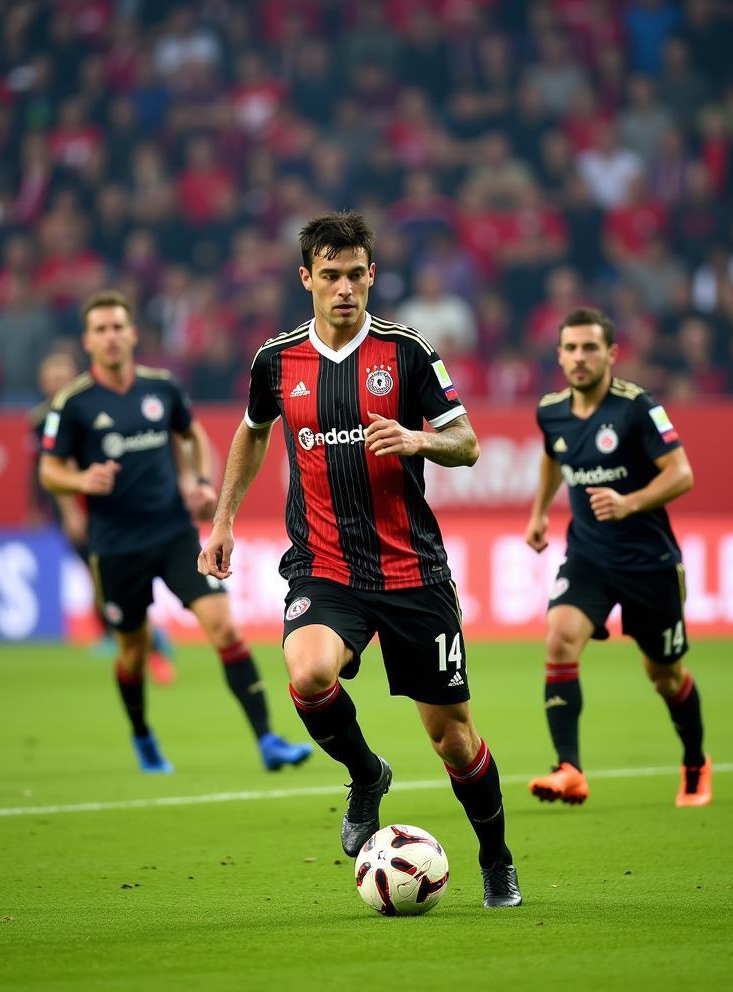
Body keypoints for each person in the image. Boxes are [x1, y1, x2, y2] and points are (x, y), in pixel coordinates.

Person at [198, 211, 522, 909]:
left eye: (357, 275)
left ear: (372, 275)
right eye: (331, 275)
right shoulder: (275, 360)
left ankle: (496, 858)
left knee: (455, 741)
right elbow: (252, 434)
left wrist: (415, 438)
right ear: (306, 277)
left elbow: (466, 443)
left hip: (412, 572)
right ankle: (367, 772)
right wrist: (223, 518)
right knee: (309, 672)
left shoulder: (407, 352)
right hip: (324, 564)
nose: (345, 288)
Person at [38, 291, 312, 774]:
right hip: (116, 546)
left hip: (174, 535)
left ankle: (268, 738)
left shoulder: (161, 389)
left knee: (224, 626)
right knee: (133, 651)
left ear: (133, 333)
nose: (111, 336)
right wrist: (81, 480)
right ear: (88, 340)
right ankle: (143, 735)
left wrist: (199, 480)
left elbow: (192, 434)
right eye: (101, 329)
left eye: (118, 326)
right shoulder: (73, 404)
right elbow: (49, 471)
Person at [524, 307, 711, 809]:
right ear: (559, 355)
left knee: (664, 675)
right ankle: (570, 769)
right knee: (559, 637)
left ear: (611, 353)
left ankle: (695, 761)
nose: (579, 358)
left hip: (648, 562)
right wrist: (540, 513)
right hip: (588, 556)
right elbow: (553, 455)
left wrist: (629, 501)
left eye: (589, 348)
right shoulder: (552, 410)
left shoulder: (636, 407)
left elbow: (682, 473)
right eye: (570, 348)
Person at [28, 351, 177, 686]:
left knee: (113, 578)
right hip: (75, 508)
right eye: (51, 374)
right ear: (42, 381)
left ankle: (144, 640)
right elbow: (45, 470)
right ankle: (126, 634)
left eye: (62, 372)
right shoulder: (40, 420)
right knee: (100, 578)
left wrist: (73, 511)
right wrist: (49, 511)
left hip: (102, 510)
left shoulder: (87, 406)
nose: (57, 380)